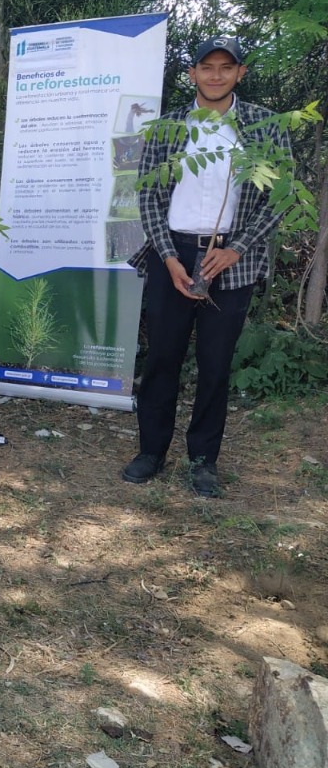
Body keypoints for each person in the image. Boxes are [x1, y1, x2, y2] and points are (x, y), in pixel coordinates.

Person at [124, 35, 293, 497]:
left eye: (226, 67)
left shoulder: (263, 124)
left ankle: (203, 460)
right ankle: (151, 451)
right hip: (172, 256)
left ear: (240, 73)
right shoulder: (170, 126)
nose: (215, 75)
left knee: (215, 364)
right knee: (161, 358)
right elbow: (150, 195)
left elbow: (280, 194)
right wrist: (170, 256)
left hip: (232, 260)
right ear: (193, 74)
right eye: (207, 67)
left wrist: (237, 248)